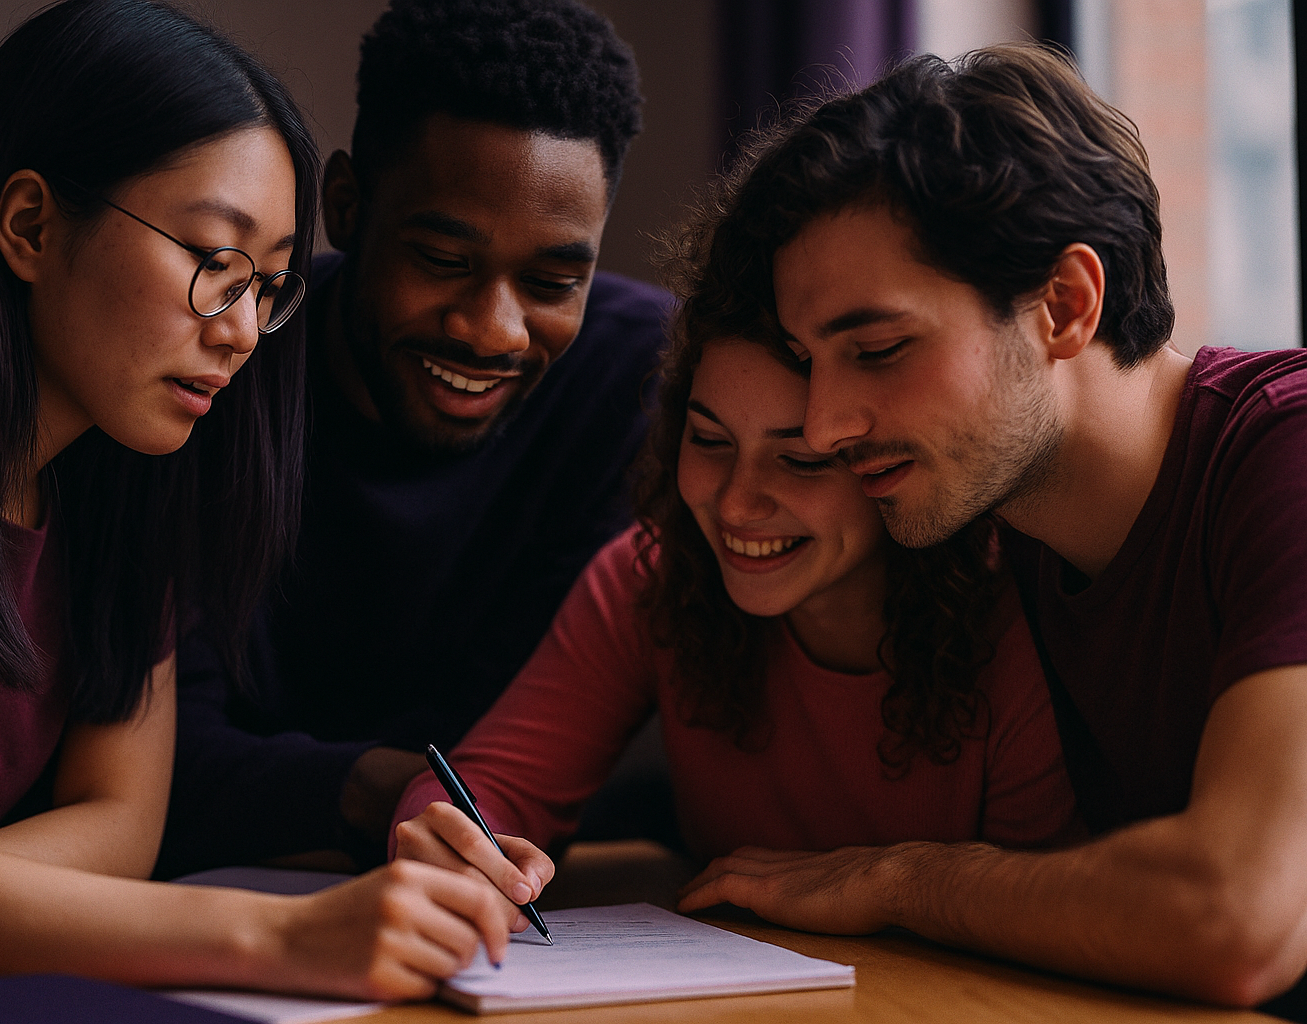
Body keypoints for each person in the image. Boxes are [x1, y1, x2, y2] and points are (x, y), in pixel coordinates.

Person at [0, 0, 516, 1000]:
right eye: (216, 261)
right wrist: (277, 939)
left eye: (271, 284)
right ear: (31, 225)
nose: (246, 330)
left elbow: (120, 824)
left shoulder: (124, 476)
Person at [651, 44, 1307, 1014]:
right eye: (809, 359)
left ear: (1066, 306)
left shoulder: (1283, 454)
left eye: (878, 350)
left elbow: (1238, 919)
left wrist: (902, 878)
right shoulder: (990, 527)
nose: (826, 425)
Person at [388, 247, 1080, 912]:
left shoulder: (1017, 615)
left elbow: (1042, 908)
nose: (736, 503)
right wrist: (445, 838)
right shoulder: (653, 577)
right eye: (710, 441)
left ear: (888, 464)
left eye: (801, 462)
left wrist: (887, 886)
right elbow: (494, 783)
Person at [160, 0, 672, 877]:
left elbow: (532, 730)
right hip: (214, 902)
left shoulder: (638, 380)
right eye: (443, 262)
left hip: (484, 901)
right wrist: (377, 789)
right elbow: (155, 757)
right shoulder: (216, 371)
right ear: (348, 207)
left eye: (553, 279)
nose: (493, 331)